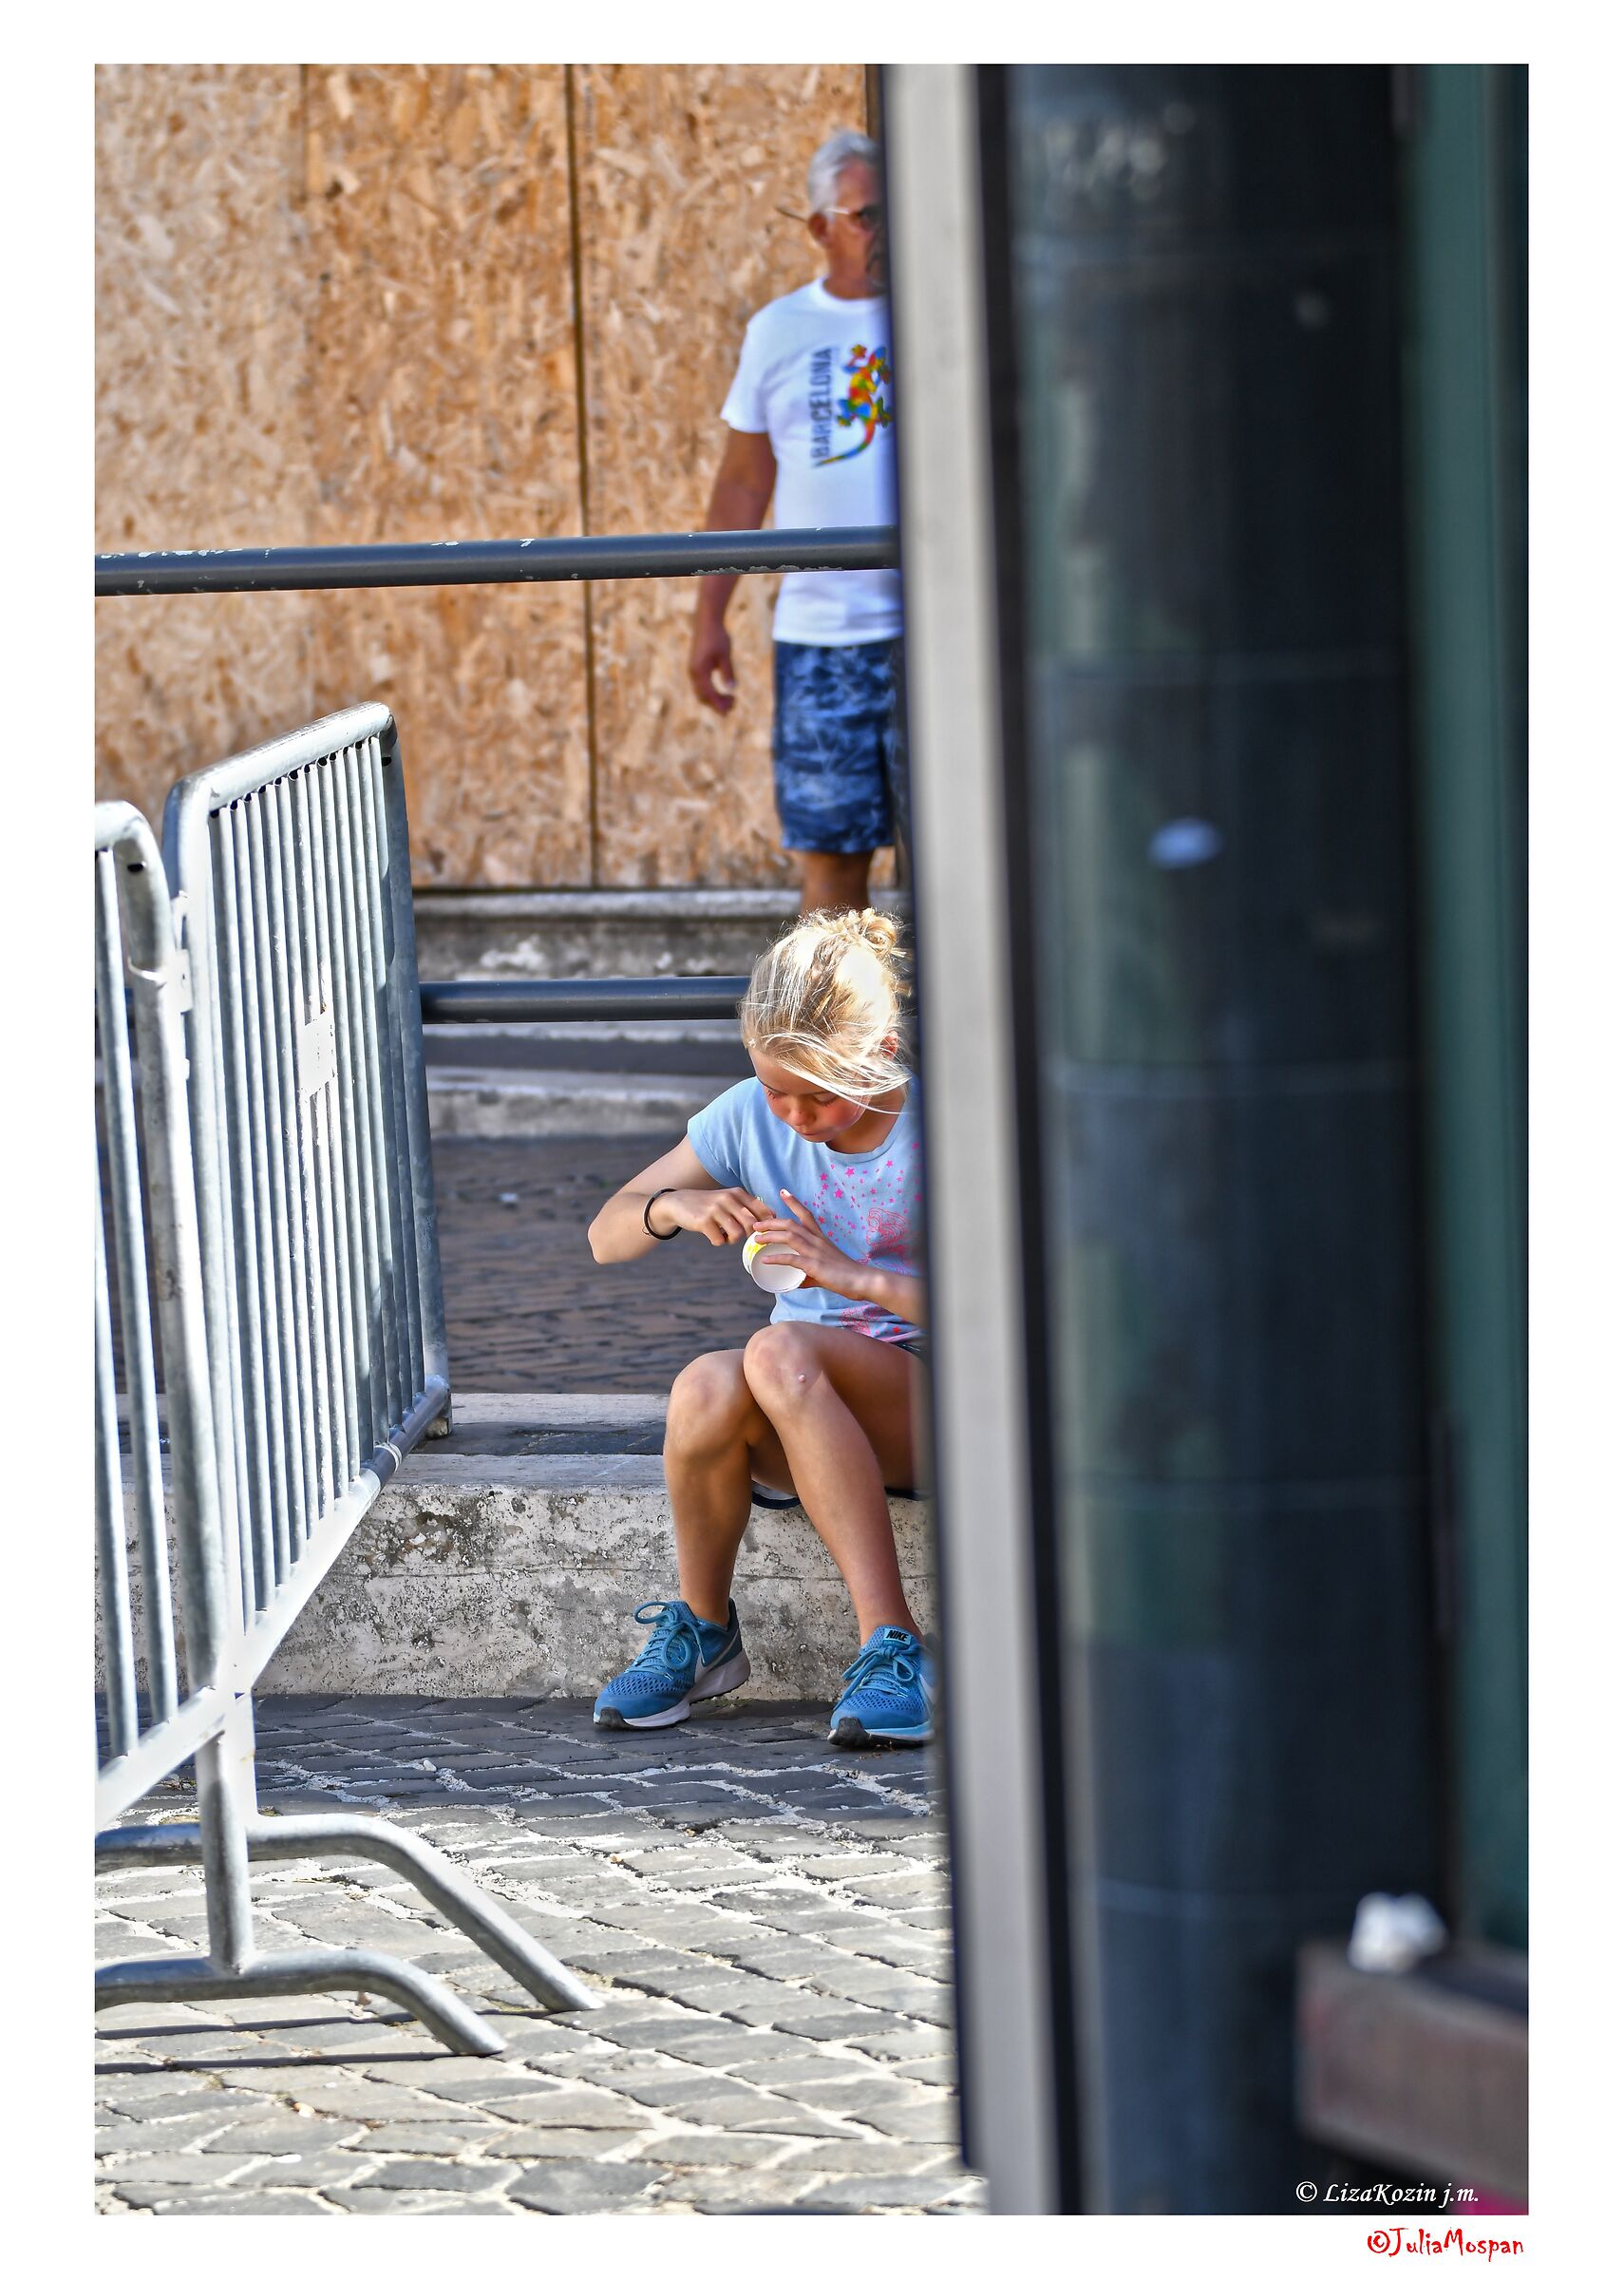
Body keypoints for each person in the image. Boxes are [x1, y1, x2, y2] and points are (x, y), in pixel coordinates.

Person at [585, 907, 931, 1747]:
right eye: (775, 1088)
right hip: (806, 1404)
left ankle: (896, 1644)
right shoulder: (749, 1113)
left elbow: (1015, 1309)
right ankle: (704, 1632)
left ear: (879, 1055)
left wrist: (848, 1276)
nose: (791, 1116)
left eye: (817, 1096)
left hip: (939, 1408)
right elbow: (605, 1236)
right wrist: (676, 1205)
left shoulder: (945, 1127)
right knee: (706, 1383)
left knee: (775, 1350)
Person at [688, 128, 907, 918]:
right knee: (831, 871)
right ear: (819, 228)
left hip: (940, 643)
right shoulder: (779, 331)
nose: (888, 232)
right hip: (821, 640)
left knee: (962, 863)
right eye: (869, 215)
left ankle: (964, 1042)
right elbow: (743, 484)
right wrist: (709, 617)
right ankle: (841, 1044)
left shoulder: (946, 316)